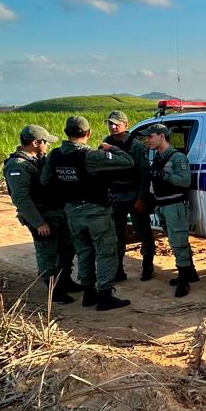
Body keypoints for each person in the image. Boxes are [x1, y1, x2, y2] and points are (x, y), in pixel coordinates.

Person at [40, 115, 135, 311]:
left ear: (66, 133)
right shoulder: (90, 155)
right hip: (95, 211)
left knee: (84, 252)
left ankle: (88, 293)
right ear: (88, 133)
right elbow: (127, 162)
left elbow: (45, 181)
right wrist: (112, 148)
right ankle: (105, 295)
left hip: (72, 213)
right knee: (106, 252)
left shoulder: (55, 155)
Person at [3, 124, 81, 304]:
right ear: (35, 142)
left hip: (56, 212)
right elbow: (21, 199)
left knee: (66, 249)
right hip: (42, 216)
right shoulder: (17, 165)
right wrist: (38, 223)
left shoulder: (38, 159)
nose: (47, 145)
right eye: (45, 142)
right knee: (48, 254)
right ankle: (53, 289)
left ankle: (65, 281)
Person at [144, 123, 197, 297]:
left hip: (175, 206)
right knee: (176, 240)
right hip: (163, 205)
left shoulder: (177, 158)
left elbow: (185, 181)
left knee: (178, 243)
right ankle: (190, 272)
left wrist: (164, 175)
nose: (147, 140)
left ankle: (183, 280)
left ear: (161, 135)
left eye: (150, 136)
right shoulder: (159, 157)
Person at [103, 110, 156, 282]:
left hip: (134, 196)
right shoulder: (106, 142)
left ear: (125, 125)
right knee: (117, 236)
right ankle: (118, 270)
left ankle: (147, 267)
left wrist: (141, 198)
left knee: (143, 233)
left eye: (116, 123)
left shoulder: (136, 145)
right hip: (115, 196)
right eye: (110, 123)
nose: (112, 126)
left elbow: (143, 173)